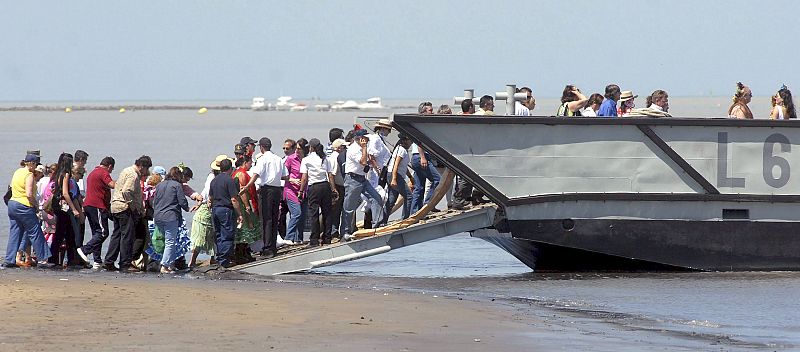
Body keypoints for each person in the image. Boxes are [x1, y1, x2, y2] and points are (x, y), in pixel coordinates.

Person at [241, 137, 286, 258]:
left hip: (266, 190)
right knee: (274, 217)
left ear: (261, 147)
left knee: (266, 219)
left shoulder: (262, 159)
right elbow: (284, 176)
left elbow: (256, 175)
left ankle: (267, 248)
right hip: (277, 190)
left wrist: (247, 186)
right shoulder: (278, 159)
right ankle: (272, 247)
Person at [105, 155, 151, 273]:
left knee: (117, 235)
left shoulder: (126, 170)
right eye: (146, 169)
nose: (146, 172)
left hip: (115, 206)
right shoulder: (133, 175)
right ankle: (125, 263)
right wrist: (132, 206)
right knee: (127, 236)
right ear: (141, 166)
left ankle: (109, 261)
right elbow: (126, 191)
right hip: (124, 208)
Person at [4, 154, 51, 268]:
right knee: (35, 231)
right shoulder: (29, 175)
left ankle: (9, 259)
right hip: (23, 205)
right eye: (35, 164)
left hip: (12, 204)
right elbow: (29, 194)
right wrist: (36, 205)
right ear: (31, 164)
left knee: (15, 231)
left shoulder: (17, 172)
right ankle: (43, 259)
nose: (35, 167)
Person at [341, 130, 384, 240]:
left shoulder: (362, 148)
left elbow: (367, 161)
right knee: (349, 207)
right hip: (353, 179)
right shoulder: (353, 149)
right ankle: (345, 231)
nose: (368, 140)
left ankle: (377, 225)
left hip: (362, 178)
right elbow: (363, 162)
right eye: (366, 139)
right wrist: (365, 148)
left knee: (377, 198)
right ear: (361, 139)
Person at [76, 157, 116, 269]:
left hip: (89, 205)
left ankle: (97, 260)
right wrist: (123, 183)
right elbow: (112, 185)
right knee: (103, 233)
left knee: (96, 233)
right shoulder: (103, 172)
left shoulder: (93, 172)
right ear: (109, 166)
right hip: (97, 205)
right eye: (111, 169)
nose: (111, 172)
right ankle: (85, 250)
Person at [189, 155, 225, 267]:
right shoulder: (213, 178)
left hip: (208, 206)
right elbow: (209, 194)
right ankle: (193, 261)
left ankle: (212, 258)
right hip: (207, 208)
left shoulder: (213, 177)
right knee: (202, 236)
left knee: (212, 235)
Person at [299, 138, 337, 246]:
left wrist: (301, 191)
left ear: (311, 147)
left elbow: (304, 177)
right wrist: (333, 189)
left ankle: (314, 239)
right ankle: (327, 237)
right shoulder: (325, 158)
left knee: (313, 214)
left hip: (314, 187)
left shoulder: (306, 159)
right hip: (325, 186)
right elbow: (330, 175)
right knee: (327, 213)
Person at [153, 167, 189, 273]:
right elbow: (182, 201)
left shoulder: (159, 185)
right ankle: (164, 265)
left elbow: (154, 201)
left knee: (166, 241)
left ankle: (170, 264)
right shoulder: (177, 185)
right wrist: (187, 208)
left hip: (158, 216)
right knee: (170, 241)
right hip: (170, 216)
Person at [48, 153, 82, 268]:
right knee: (69, 233)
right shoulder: (66, 174)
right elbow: (66, 193)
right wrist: (74, 209)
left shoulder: (57, 174)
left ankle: (53, 258)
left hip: (57, 205)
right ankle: (71, 260)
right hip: (64, 207)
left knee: (60, 233)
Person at [209, 159, 242, 268]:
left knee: (218, 234)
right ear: (230, 169)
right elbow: (233, 199)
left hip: (215, 209)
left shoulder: (214, 181)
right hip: (225, 209)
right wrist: (239, 213)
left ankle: (219, 258)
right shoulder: (229, 180)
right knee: (227, 234)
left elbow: (210, 198)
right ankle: (223, 261)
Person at [232, 155, 261, 263]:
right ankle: (241, 254)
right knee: (246, 229)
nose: (251, 165)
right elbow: (242, 191)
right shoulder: (242, 174)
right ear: (245, 163)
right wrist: (247, 205)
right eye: (250, 163)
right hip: (242, 204)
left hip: (240, 203)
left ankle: (242, 253)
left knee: (243, 230)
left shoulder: (235, 172)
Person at [383, 134, 414, 222]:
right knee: (408, 196)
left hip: (394, 175)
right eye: (410, 141)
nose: (411, 143)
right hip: (395, 175)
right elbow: (395, 165)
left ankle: (382, 221)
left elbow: (403, 166)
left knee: (391, 200)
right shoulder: (401, 150)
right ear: (405, 140)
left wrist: (410, 177)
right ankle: (405, 218)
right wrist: (394, 179)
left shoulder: (401, 149)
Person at [285, 138, 307, 244]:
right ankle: (289, 237)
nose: (297, 151)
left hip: (304, 190)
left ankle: (298, 239)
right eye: (296, 148)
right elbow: (283, 174)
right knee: (296, 213)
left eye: (299, 149)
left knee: (302, 216)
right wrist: (292, 179)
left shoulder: (307, 159)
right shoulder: (290, 159)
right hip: (291, 190)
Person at [328, 138, 347, 239]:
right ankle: (333, 231)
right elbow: (331, 174)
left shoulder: (338, 156)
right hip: (337, 187)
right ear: (339, 148)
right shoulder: (335, 158)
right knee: (336, 210)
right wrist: (334, 189)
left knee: (338, 210)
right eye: (343, 147)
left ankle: (335, 230)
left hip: (340, 186)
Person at [277, 139, 295, 244]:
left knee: (294, 213)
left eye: (287, 148)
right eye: (283, 148)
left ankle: (292, 237)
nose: (285, 150)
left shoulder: (295, 160)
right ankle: (283, 236)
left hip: (291, 189)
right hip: (282, 189)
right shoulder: (282, 160)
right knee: (281, 215)